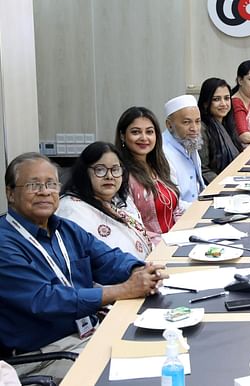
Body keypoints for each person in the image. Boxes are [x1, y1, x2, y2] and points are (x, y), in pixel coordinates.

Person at [0, 153, 167, 382]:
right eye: (33, 185)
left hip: (85, 334)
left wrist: (141, 271)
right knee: (133, 377)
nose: (44, 191)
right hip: (42, 354)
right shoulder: (5, 243)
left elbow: (108, 259)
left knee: (161, 351)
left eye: (51, 184)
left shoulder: (64, 228)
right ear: (10, 193)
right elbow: (46, 299)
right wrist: (123, 290)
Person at [57, 142, 152, 261]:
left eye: (115, 169)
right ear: (84, 172)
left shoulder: (121, 200)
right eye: (100, 170)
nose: (109, 176)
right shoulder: (71, 209)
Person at [115, 106, 181, 239]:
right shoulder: (121, 175)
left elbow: (176, 210)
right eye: (135, 132)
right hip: (149, 249)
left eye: (149, 132)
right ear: (123, 136)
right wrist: (167, 242)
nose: (144, 138)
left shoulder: (161, 166)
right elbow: (131, 226)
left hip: (175, 241)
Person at [162, 94, 206, 205]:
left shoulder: (188, 141)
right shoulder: (162, 152)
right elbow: (173, 203)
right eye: (186, 122)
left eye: (197, 121)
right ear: (169, 125)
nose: (194, 128)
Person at [198, 78, 242, 183]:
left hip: (234, 179)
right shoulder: (201, 129)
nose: (223, 104)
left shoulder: (227, 124)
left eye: (227, 98)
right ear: (205, 103)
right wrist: (225, 184)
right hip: (217, 186)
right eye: (216, 99)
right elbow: (203, 170)